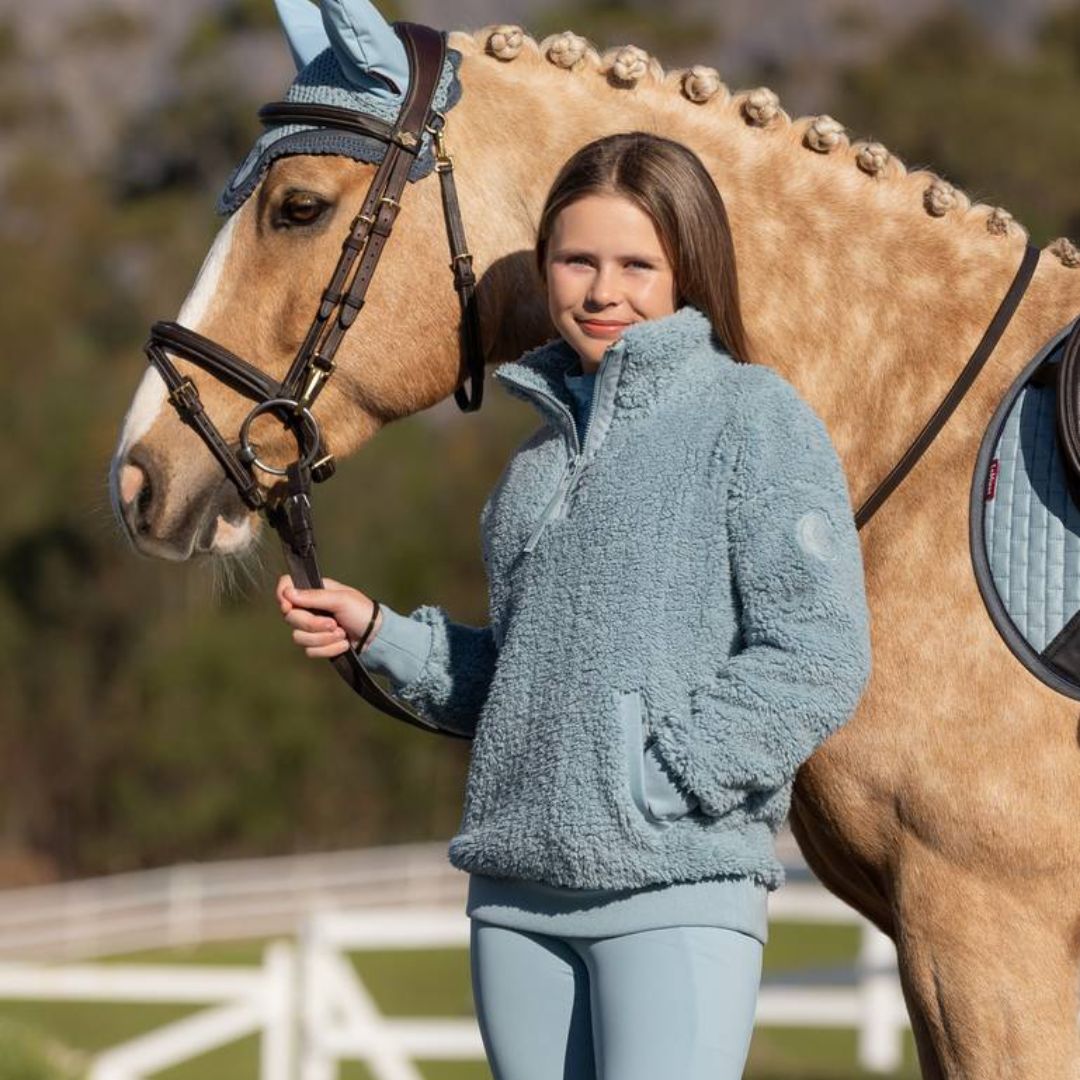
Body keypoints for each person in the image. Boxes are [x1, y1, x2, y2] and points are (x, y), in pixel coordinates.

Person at [276, 131, 873, 1080]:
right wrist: (383, 637)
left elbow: (817, 652)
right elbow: (519, 682)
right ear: (545, 267)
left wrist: (661, 782)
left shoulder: (754, 418)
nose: (604, 292)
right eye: (577, 260)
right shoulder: (531, 469)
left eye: (638, 264)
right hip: (515, 899)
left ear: (688, 269)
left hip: (674, 883)